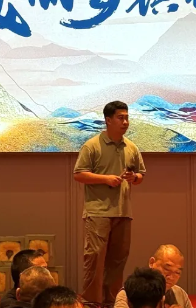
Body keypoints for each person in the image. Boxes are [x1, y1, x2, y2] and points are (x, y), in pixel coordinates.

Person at [74, 101, 147, 308]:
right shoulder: (92, 145)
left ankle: (111, 303)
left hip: (123, 212)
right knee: (95, 259)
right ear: (108, 120)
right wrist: (105, 179)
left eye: (127, 118)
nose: (125, 122)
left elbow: (141, 175)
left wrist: (134, 178)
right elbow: (78, 174)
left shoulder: (131, 147)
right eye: (120, 118)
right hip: (98, 212)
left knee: (118, 260)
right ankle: (91, 302)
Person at [115, 245, 192, 308]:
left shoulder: (180, 294)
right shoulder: (130, 292)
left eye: (177, 272)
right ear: (152, 263)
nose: (171, 277)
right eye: (167, 269)